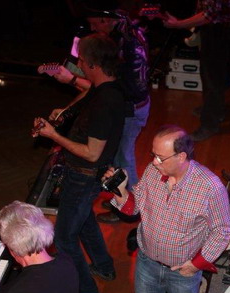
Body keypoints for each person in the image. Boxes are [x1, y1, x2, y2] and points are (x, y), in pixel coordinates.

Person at [104, 125, 230, 293]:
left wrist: (196, 264)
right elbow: (135, 208)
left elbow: (222, 231)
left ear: (182, 157)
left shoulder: (210, 187)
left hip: (183, 271)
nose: (153, 162)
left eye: (160, 157)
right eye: (153, 155)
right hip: (147, 263)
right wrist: (121, 190)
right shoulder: (154, 172)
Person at [34, 33, 125, 293]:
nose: (79, 65)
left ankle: (85, 292)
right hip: (89, 177)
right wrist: (64, 112)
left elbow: (91, 152)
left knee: (64, 239)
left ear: (94, 64)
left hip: (83, 176)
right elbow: (87, 93)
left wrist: (54, 135)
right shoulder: (107, 87)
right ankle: (104, 266)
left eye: (82, 61)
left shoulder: (105, 103)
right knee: (84, 221)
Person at [51, 0, 150, 224]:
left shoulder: (122, 47)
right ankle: (121, 198)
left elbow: (107, 89)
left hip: (131, 110)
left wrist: (73, 79)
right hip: (134, 105)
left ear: (106, 19)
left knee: (123, 160)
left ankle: (131, 207)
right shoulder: (129, 32)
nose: (93, 28)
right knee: (118, 157)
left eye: (95, 24)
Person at [162, 0, 230, 142]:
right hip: (214, 28)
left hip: (217, 30)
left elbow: (208, 16)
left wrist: (178, 24)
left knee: (212, 77)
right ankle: (216, 110)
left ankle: (210, 124)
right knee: (210, 74)